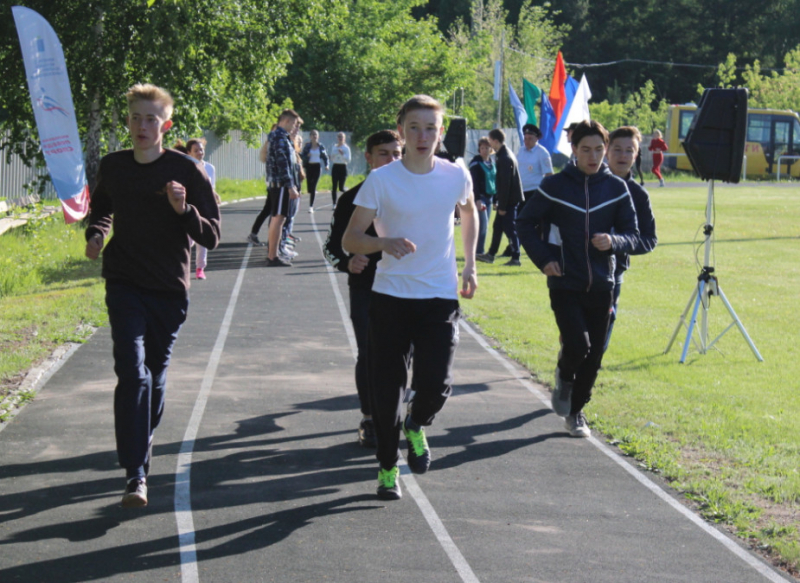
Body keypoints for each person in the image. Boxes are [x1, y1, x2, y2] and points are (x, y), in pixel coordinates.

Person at [84, 83, 220, 508]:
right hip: (123, 281)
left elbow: (212, 236)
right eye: (135, 118)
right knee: (132, 369)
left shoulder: (186, 170)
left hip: (167, 289)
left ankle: (142, 439)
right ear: (127, 121)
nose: (141, 126)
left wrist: (184, 212)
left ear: (166, 125)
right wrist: (96, 233)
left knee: (154, 377)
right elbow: (103, 207)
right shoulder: (114, 165)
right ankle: (135, 474)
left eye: (150, 119)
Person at [342, 95, 478, 500]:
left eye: (431, 128)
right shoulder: (382, 180)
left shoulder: (456, 175)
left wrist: (470, 264)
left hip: (438, 296)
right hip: (390, 299)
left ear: (441, 133)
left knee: (436, 384)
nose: (423, 136)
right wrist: (383, 242)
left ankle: (417, 425)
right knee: (387, 393)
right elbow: (351, 238)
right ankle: (387, 467)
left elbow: (470, 213)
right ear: (401, 131)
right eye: (414, 128)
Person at [517, 120, 638, 438]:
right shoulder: (555, 186)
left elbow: (633, 235)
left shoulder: (616, 189)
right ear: (573, 150)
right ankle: (564, 372)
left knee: (595, 354)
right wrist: (544, 259)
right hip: (565, 281)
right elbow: (525, 222)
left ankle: (576, 411)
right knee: (577, 345)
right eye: (586, 149)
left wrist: (614, 242)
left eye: (600, 149)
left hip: (602, 284)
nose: (594, 156)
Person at [323, 130, 403, 448]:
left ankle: (399, 416)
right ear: (368, 158)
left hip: (405, 288)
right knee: (369, 354)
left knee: (400, 357)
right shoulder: (351, 199)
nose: (392, 160)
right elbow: (331, 246)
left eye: (397, 154)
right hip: (366, 288)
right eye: (384, 153)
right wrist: (347, 261)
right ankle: (370, 419)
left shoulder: (414, 196)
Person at [604, 126, 658, 351]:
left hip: (613, 274)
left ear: (636, 155)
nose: (623, 156)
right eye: (617, 149)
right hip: (579, 268)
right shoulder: (589, 185)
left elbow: (649, 239)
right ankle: (567, 369)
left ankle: (584, 378)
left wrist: (618, 242)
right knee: (575, 333)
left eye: (629, 151)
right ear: (607, 150)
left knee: (603, 327)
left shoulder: (638, 195)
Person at [478, 128, 524, 266]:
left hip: (510, 200)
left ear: (496, 141)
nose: (490, 143)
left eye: (491, 140)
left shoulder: (504, 157)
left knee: (510, 229)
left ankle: (516, 257)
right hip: (509, 199)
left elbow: (505, 184)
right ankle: (491, 255)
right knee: (497, 226)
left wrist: (502, 206)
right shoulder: (504, 153)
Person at [262, 109, 302, 267]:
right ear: (285, 121)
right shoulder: (279, 137)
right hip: (280, 185)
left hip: (279, 184)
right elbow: (282, 163)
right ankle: (272, 256)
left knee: (279, 218)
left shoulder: (280, 137)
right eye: (293, 123)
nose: (294, 127)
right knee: (278, 218)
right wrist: (290, 185)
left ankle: (274, 254)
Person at [185, 137, 219, 280]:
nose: (200, 152)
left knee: (202, 239)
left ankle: (200, 268)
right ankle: (184, 266)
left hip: (204, 207)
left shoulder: (210, 168)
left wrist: (215, 196)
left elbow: (211, 188)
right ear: (189, 153)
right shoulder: (185, 167)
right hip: (189, 208)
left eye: (201, 149)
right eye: (196, 150)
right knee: (187, 239)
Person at [248, 124, 277, 247]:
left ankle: (254, 233)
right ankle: (271, 239)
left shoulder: (273, 145)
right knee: (273, 212)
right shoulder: (272, 146)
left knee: (268, 210)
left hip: (273, 183)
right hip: (274, 184)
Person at [468, 137, 496, 256]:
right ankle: (479, 251)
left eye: (487, 147)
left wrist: (496, 199)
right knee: (482, 225)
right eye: (482, 148)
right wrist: (478, 199)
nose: (484, 150)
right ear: (479, 149)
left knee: (486, 225)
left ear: (491, 149)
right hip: (481, 198)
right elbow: (473, 182)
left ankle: (478, 250)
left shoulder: (492, 163)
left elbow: (495, 181)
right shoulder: (475, 163)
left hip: (490, 198)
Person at [517, 123, 553, 207]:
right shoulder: (521, 151)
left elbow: (549, 174)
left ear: (536, 139)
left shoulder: (542, 152)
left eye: (530, 139)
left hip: (534, 192)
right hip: (520, 191)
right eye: (525, 139)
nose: (527, 141)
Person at [301, 129, 329, 213]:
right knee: (309, 187)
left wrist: (326, 165)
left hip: (317, 167)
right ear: (310, 137)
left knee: (313, 187)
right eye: (313, 135)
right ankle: (311, 195)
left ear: (318, 136)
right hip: (309, 167)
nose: (314, 136)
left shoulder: (320, 146)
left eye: (316, 135)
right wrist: (307, 155)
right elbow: (302, 156)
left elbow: (325, 157)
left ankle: (311, 206)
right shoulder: (307, 146)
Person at [329, 132, 351, 207]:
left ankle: (347, 194)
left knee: (341, 188)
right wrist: (332, 156)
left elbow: (348, 160)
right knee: (334, 186)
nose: (340, 138)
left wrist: (343, 154)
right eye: (339, 137)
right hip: (335, 166)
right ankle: (334, 204)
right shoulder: (334, 147)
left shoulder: (346, 148)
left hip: (343, 167)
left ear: (344, 138)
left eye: (342, 137)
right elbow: (332, 158)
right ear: (337, 138)